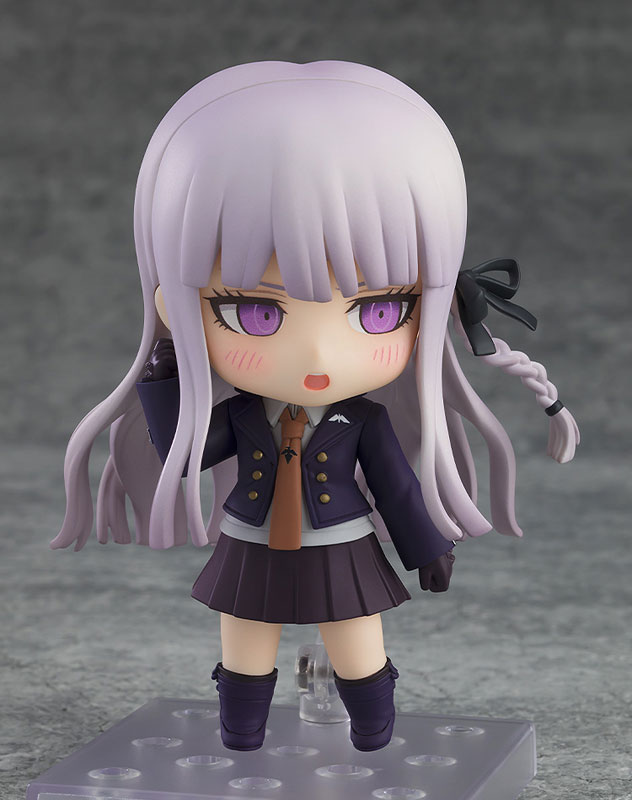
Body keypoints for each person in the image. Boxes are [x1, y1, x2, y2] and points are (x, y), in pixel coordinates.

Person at [53, 61, 579, 753]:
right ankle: (241, 731)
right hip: (250, 540)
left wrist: (427, 548)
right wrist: (164, 372)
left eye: (379, 310)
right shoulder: (244, 416)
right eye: (254, 312)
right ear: (174, 306)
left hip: (341, 544)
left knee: (356, 640)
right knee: (244, 640)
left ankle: (374, 733)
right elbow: (190, 449)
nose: (319, 356)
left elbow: (395, 486)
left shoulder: (362, 422)